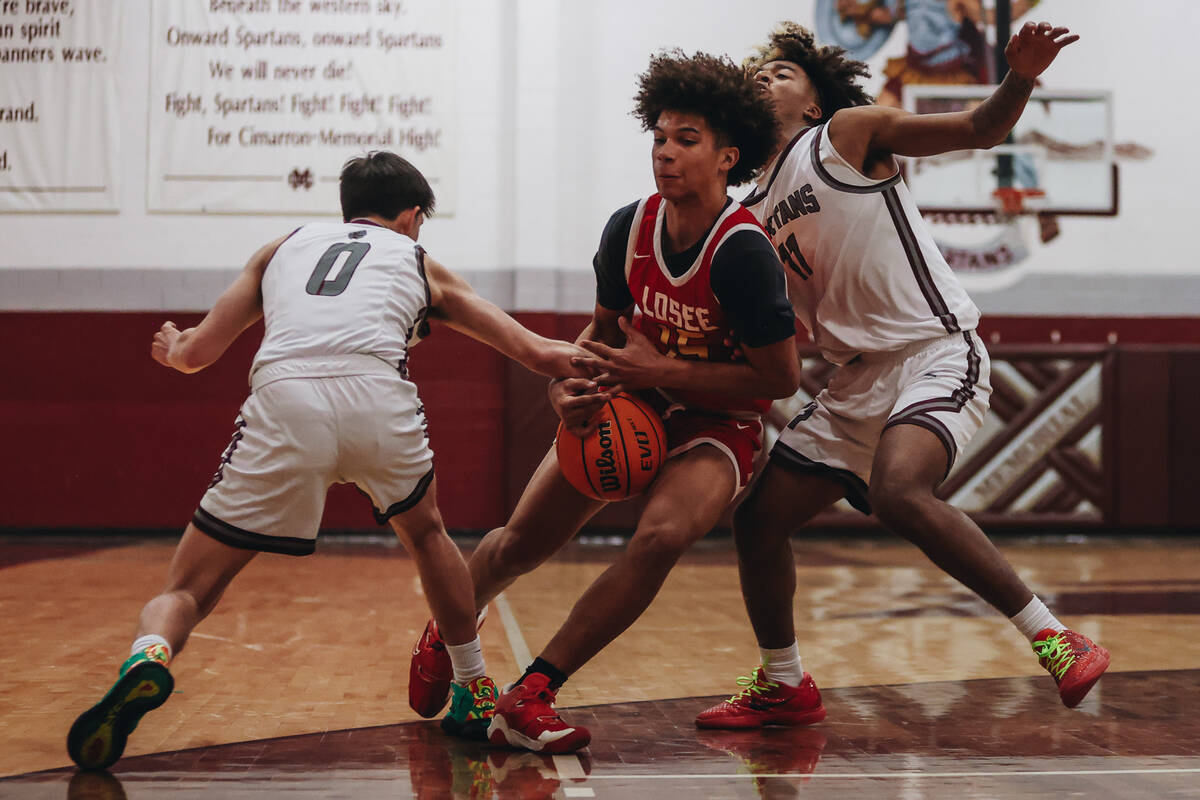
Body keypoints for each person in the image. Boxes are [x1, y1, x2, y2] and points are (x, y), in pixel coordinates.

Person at [66, 151, 590, 770]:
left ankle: (149, 655)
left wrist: (175, 345)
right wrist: (613, 369)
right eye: (421, 222)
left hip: (285, 401)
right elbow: (535, 352)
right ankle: (473, 690)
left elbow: (198, 354)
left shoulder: (280, 249)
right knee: (426, 534)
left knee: (187, 587)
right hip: (376, 394)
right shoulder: (418, 260)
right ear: (410, 216)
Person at [684, 20, 1108, 729]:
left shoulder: (846, 135)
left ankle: (1054, 636)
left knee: (899, 491)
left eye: (782, 73)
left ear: (815, 104)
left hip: (935, 348)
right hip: (854, 381)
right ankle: (784, 684)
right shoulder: (748, 213)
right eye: (757, 74)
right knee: (757, 522)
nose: (765, 78)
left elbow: (979, 128)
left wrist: (1022, 77)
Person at [408, 50, 800, 754]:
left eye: (687, 140)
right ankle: (446, 631)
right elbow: (600, 334)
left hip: (719, 422)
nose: (667, 154)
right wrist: (569, 389)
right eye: (659, 137)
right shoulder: (629, 228)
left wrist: (667, 366)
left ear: (727, 156)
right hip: (630, 402)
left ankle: (535, 689)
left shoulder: (744, 252)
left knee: (659, 538)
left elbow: (780, 377)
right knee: (517, 543)